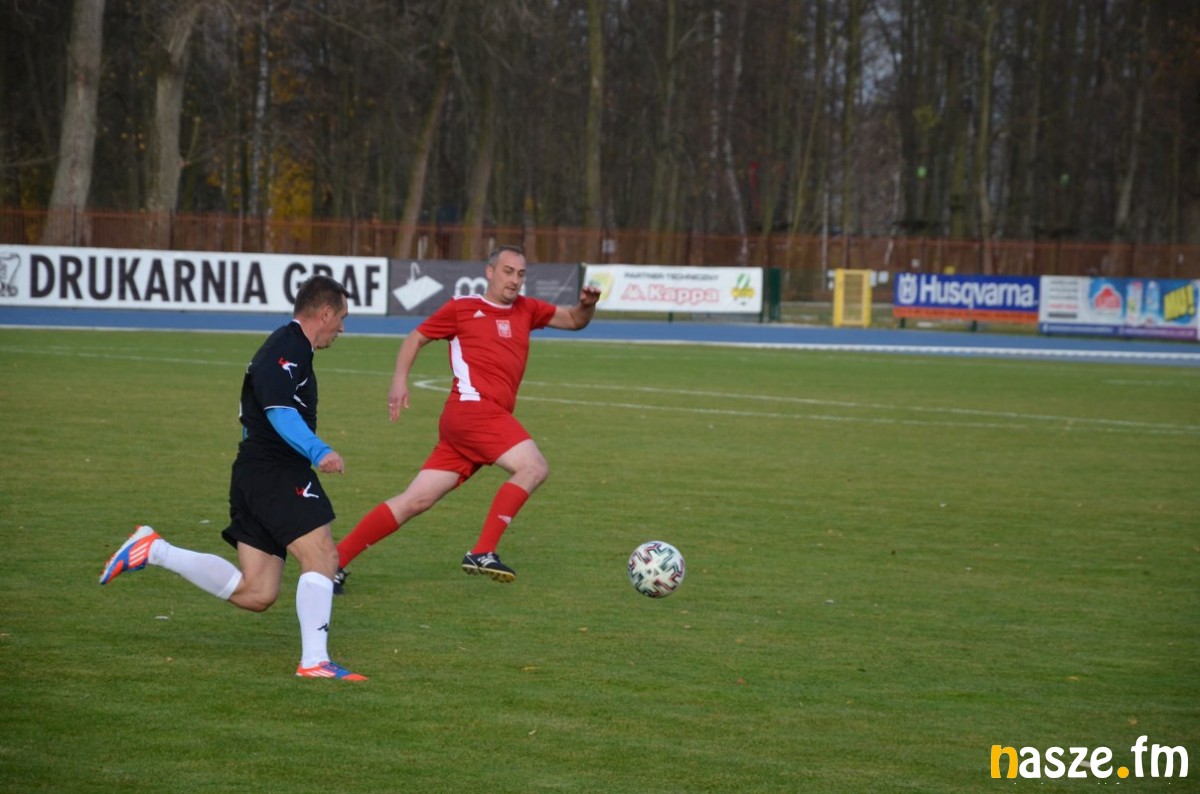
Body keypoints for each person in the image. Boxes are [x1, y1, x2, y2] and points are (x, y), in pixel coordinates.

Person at [99, 275, 366, 681]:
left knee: (257, 592)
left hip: (255, 473)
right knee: (323, 556)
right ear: (325, 312)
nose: (342, 328)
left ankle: (154, 550)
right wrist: (319, 450)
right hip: (274, 471)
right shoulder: (288, 346)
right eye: (342, 317)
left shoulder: (291, 348)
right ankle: (315, 661)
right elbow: (279, 410)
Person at [333, 244, 600, 592]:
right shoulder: (462, 309)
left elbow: (575, 320)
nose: (514, 280)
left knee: (415, 499)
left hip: (471, 422)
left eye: (520, 274)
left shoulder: (528, 309)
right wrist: (399, 381)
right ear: (490, 272)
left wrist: (587, 306)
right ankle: (482, 551)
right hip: (473, 411)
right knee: (534, 467)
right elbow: (416, 337)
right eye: (507, 271)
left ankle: (333, 561)